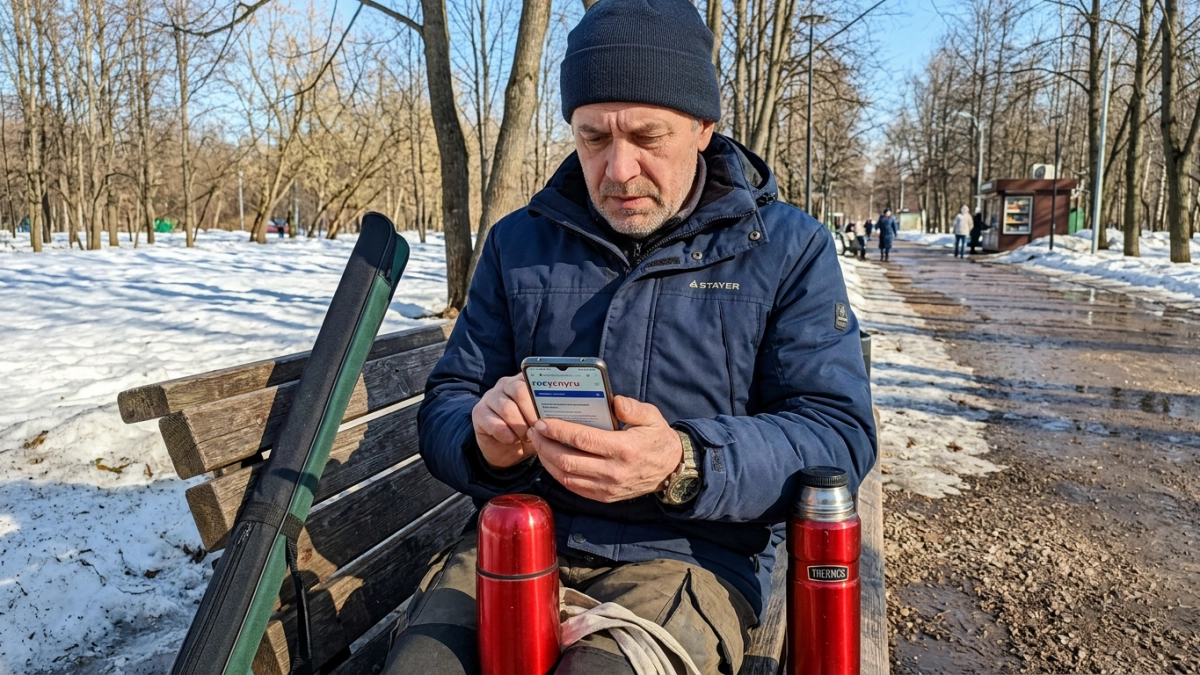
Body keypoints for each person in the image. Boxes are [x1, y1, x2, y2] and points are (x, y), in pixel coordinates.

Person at [383, 2, 877, 673]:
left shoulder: (787, 249)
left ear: (704, 128)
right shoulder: (517, 244)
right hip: (515, 541)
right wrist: (482, 441)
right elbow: (448, 401)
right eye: (593, 138)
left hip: (689, 560)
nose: (617, 169)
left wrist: (684, 461)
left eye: (647, 138)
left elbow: (837, 433)